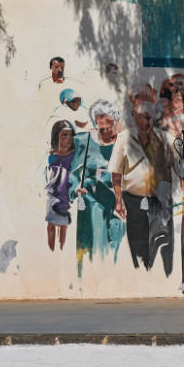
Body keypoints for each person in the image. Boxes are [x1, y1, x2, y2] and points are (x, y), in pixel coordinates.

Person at [114, 88, 175, 274]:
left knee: (162, 242)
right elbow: (116, 172)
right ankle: (140, 273)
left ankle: (160, 275)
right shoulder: (124, 139)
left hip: (159, 200)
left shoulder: (165, 138)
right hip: (133, 199)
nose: (146, 120)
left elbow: (178, 166)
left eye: (149, 116)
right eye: (143, 116)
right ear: (135, 117)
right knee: (137, 242)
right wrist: (118, 200)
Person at [74, 101, 126, 272]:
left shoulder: (123, 143)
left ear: (115, 123)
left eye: (109, 127)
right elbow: (70, 171)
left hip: (117, 203)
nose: (105, 132)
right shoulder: (84, 141)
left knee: (117, 245)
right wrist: (75, 189)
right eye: (101, 128)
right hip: (91, 204)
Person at [45, 120, 75, 251]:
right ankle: (51, 250)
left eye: (70, 135)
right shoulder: (52, 156)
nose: (68, 139)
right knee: (51, 225)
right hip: (52, 197)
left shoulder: (73, 156)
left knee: (63, 226)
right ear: (56, 136)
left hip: (66, 196)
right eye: (64, 135)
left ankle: (61, 249)